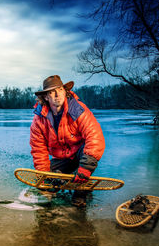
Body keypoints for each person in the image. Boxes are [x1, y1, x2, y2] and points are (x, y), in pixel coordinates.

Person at [30, 75, 105, 207]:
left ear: (65, 91)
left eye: (59, 89)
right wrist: (45, 177)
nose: (57, 94)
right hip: (62, 158)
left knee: (79, 197)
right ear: (46, 97)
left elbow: (95, 137)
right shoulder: (39, 120)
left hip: (80, 154)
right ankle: (58, 183)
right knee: (45, 181)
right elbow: (38, 150)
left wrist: (86, 168)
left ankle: (80, 192)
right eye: (52, 92)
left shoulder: (77, 109)